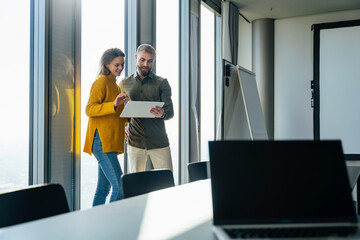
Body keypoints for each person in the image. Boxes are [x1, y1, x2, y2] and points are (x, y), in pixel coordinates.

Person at [83, 48, 129, 206]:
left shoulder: (115, 86)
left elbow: (116, 112)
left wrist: (128, 115)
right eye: (117, 64)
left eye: (122, 64)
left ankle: (97, 223)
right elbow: (90, 109)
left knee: (103, 188)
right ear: (106, 64)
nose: (120, 68)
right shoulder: (101, 82)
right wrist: (114, 104)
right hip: (101, 141)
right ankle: (111, 222)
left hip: (109, 141)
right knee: (121, 186)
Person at [120, 43, 174, 173]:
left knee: (166, 182)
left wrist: (163, 113)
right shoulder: (125, 83)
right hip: (135, 142)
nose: (145, 64)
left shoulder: (162, 83)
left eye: (150, 61)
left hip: (159, 141)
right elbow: (120, 111)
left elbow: (170, 112)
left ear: (153, 60)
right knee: (136, 184)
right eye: (142, 60)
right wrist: (124, 125)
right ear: (135, 58)